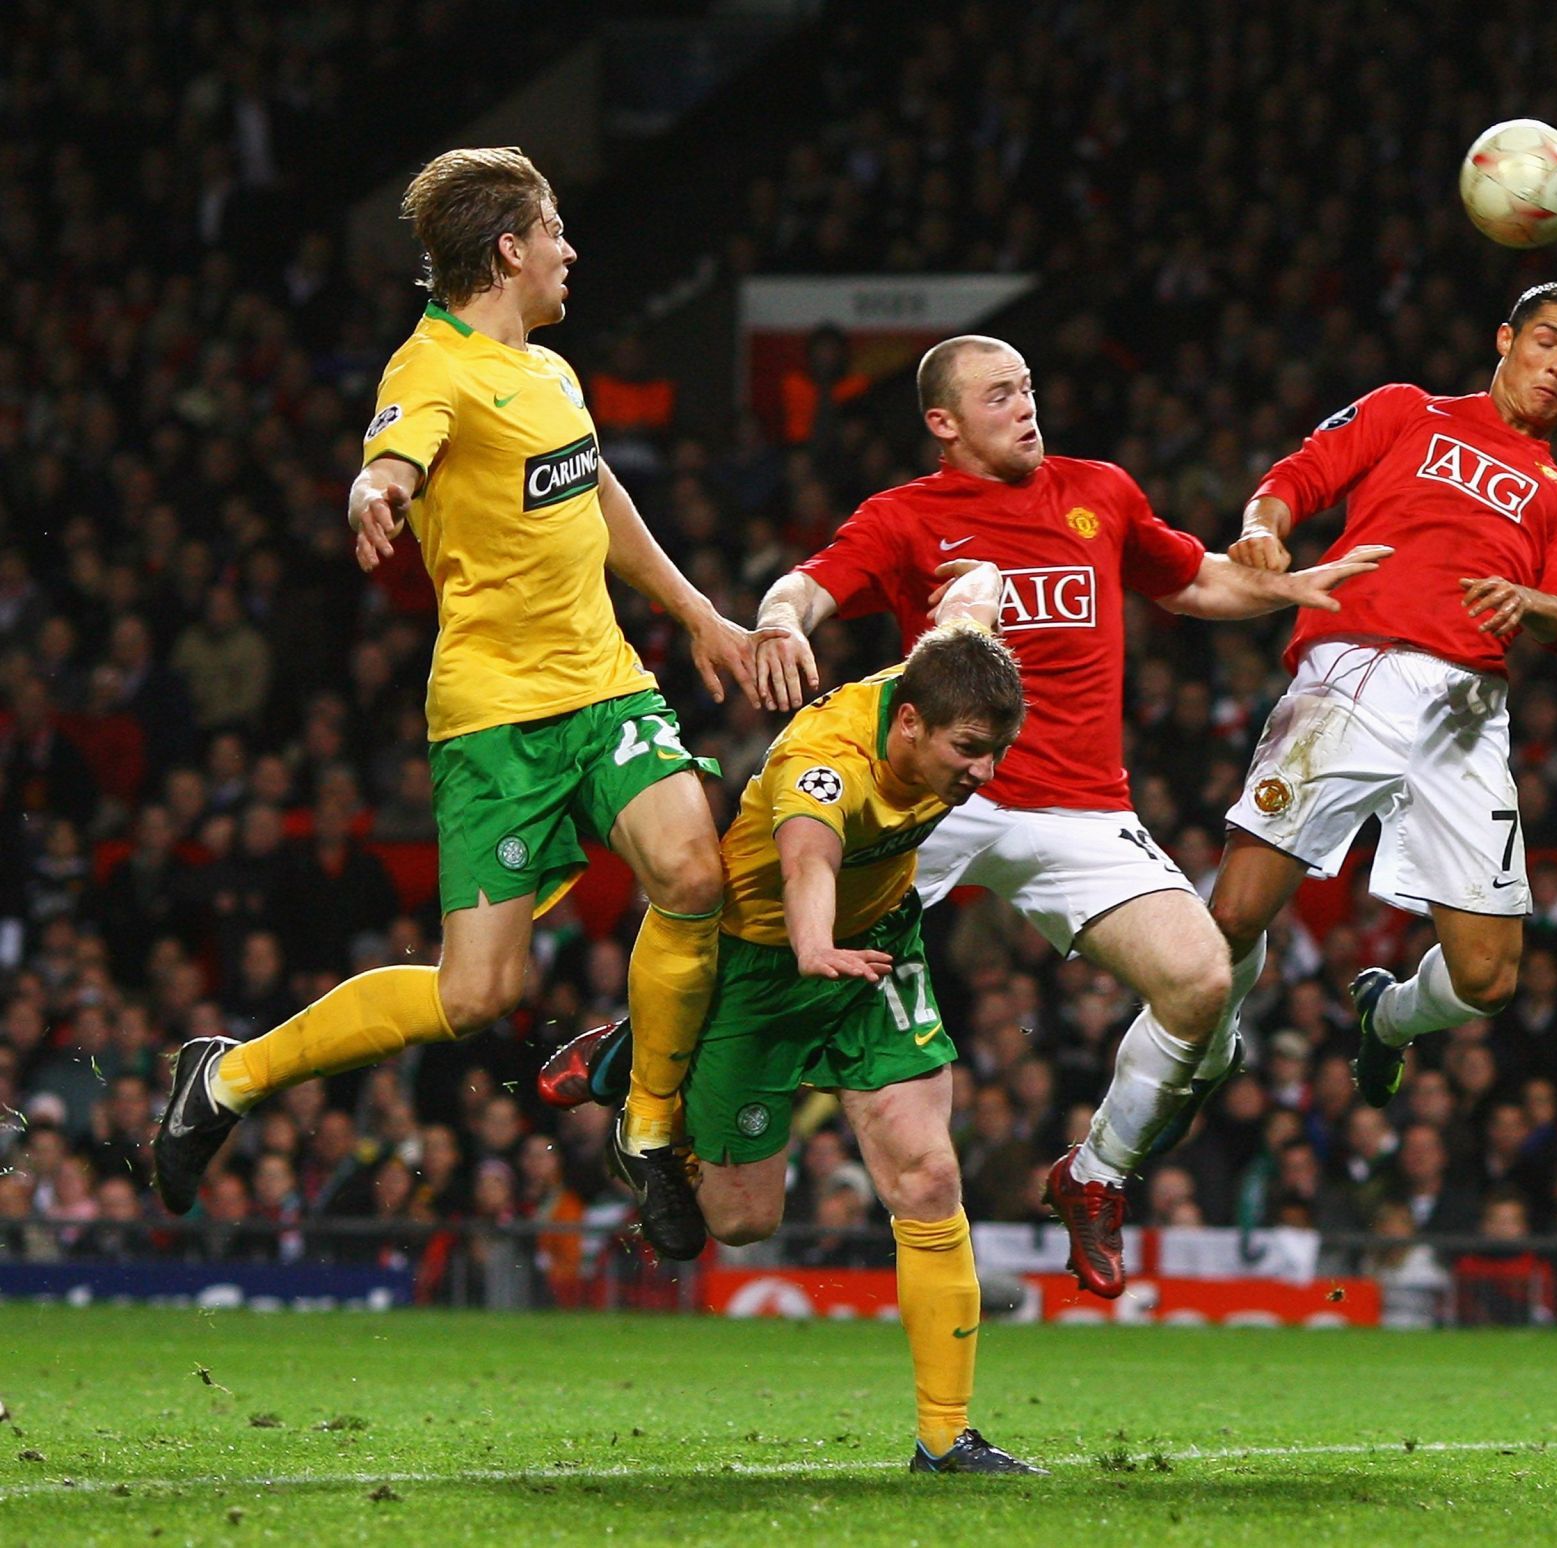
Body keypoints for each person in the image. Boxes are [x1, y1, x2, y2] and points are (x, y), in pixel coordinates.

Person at [542, 334, 1383, 1299]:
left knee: (1200, 982)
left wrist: (1286, 586)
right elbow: (807, 585)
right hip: (938, 792)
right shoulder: (907, 517)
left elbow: (1189, 579)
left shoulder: (1099, 492)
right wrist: (780, 622)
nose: (1026, 406)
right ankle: (632, 1044)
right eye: (999, 395)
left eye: (1028, 387)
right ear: (944, 423)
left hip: (1077, 806)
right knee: (767, 908)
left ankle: (1095, 1175)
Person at [152, 148, 770, 1260]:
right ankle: (227, 1077)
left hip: (604, 682)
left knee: (691, 870)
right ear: (509, 250)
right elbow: (392, 456)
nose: (571, 250)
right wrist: (370, 492)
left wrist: (691, 610)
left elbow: (597, 489)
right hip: (494, 714)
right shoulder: (427, 369)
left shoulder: (551, 372)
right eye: (557, 232)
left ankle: (645, 1125)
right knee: (477, 995)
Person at [1158, 282, 1557, 1120]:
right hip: (1350, 673)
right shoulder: (1410, 409)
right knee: (1233, 913)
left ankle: (1388, 1014)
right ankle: (1205, 1049)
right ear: (1505, 339)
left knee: (1488, 979)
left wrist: (1535, 602)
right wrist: (1265, 524)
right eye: (1548, 340)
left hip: (1466, 715)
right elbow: (1299, 474)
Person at [686, 588, 1040, 1473]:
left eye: (997, 752)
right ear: (909, 723)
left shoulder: (947, 685)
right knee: (740, 1221)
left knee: (928, 1175)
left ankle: (944, 1436)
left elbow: (969, 600)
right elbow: (808, 856)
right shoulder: (825, 762)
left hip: (878, 952)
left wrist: (982, 562)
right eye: (969, 751)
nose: (984, 773)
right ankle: (638, 1073)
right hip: (767, 964)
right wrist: (813, 944)